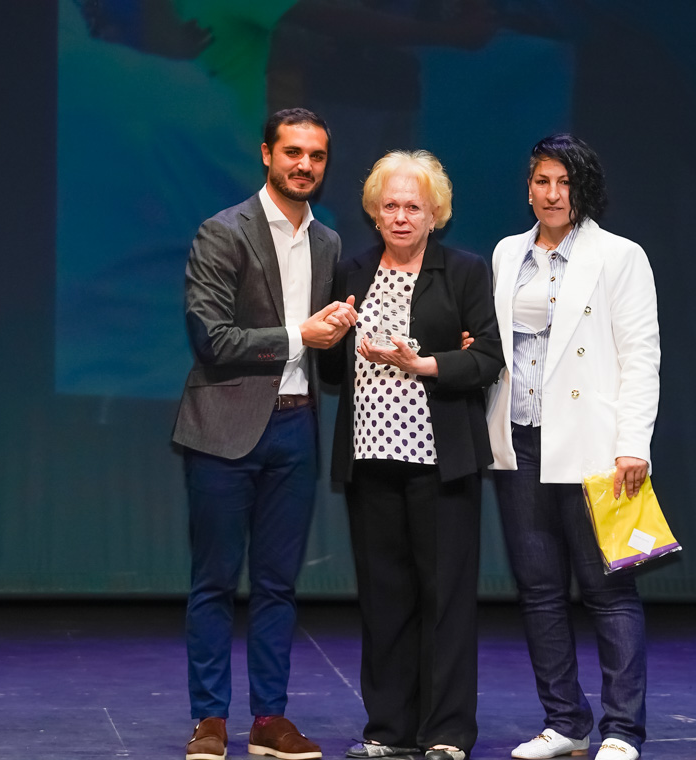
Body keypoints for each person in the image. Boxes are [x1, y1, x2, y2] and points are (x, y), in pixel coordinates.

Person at [173, 107, 358, 760]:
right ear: (266, 155)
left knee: (278, 585)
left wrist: (355, 338)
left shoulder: (330, 243)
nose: (304, 165)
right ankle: (210, 721)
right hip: (224, 428)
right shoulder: (222, 233)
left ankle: (270, 719)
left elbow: (328, 355)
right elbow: (211, 339)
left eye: (316, 155)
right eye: (292, 153)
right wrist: (298, 336)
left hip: (295, 426)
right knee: (215, 582)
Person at [320, 150, 503, 760]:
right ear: (374, 212)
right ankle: (389, 730)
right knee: (385, 597)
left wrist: (424, 364)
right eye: (391, 206)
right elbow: (329, 371)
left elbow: (487, 359)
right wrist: (331, 333)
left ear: (435, 215)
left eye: (413, 207)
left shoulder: (465, 271)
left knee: (445, 598)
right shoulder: (353, 271)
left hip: (439, 458)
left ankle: (447, 732)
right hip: (371, 457)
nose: (401, 217)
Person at [486, 134, 660, 760]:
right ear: (528, 187)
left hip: (592, 445)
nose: (551, 194)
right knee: (538, 589)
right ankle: (566, 721)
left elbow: (642, 358)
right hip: (522, 440)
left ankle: (621, 729)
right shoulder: (509, 253)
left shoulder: (619, 257)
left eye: (563, 182)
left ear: (582, 189)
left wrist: (632, 443)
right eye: (541, 181)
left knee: (608, 590)